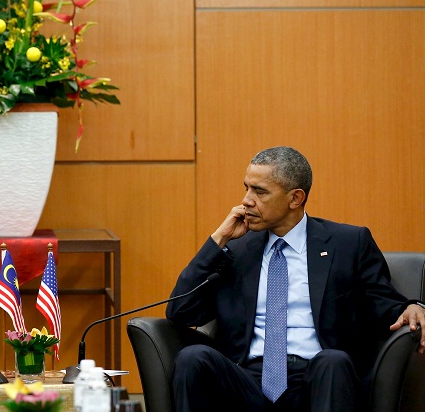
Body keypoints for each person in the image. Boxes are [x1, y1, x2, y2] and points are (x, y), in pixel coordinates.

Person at [167, 146, 425, 412]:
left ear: (295, 198)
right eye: (246, 188)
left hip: (319, 378)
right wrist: (218, 239)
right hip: (248, 380)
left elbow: (384, 303)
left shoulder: (348, 244)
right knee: (193, 358)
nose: (246, 200)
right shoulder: (238, 250)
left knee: (332, 362)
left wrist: (413, 307)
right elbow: (181, 311)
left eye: (260, 191)